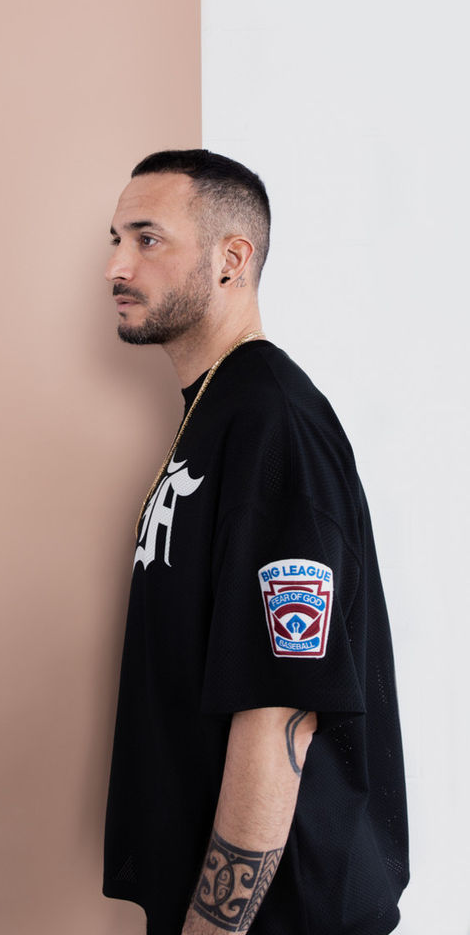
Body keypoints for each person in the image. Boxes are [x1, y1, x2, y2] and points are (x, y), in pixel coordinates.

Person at [102, 149, 409, 935]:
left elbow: (280, 708)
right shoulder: (216, 414)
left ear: (231, 259)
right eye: (116, 241)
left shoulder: (273, 425)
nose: (116, 267)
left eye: (147, 239)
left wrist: (214, 926)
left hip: (282, 916)